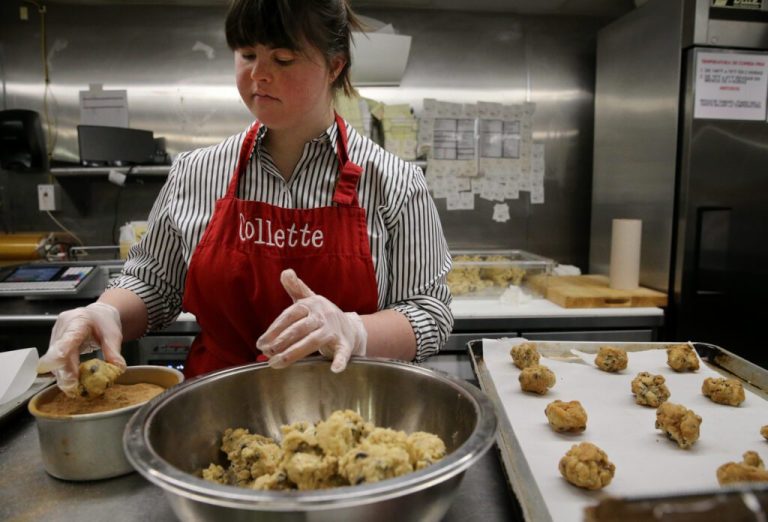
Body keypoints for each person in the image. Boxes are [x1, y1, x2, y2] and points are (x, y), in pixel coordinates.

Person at [38, 0, 453, 396]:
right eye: (247, 54)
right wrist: (106, 312)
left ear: (334, 66)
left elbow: (430, 313)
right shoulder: (197, 172)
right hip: (216, 410)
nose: (259, 74)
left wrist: (355, 332)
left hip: (351, 414)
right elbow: (153, 283)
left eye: (283, 58)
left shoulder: (395, 182)